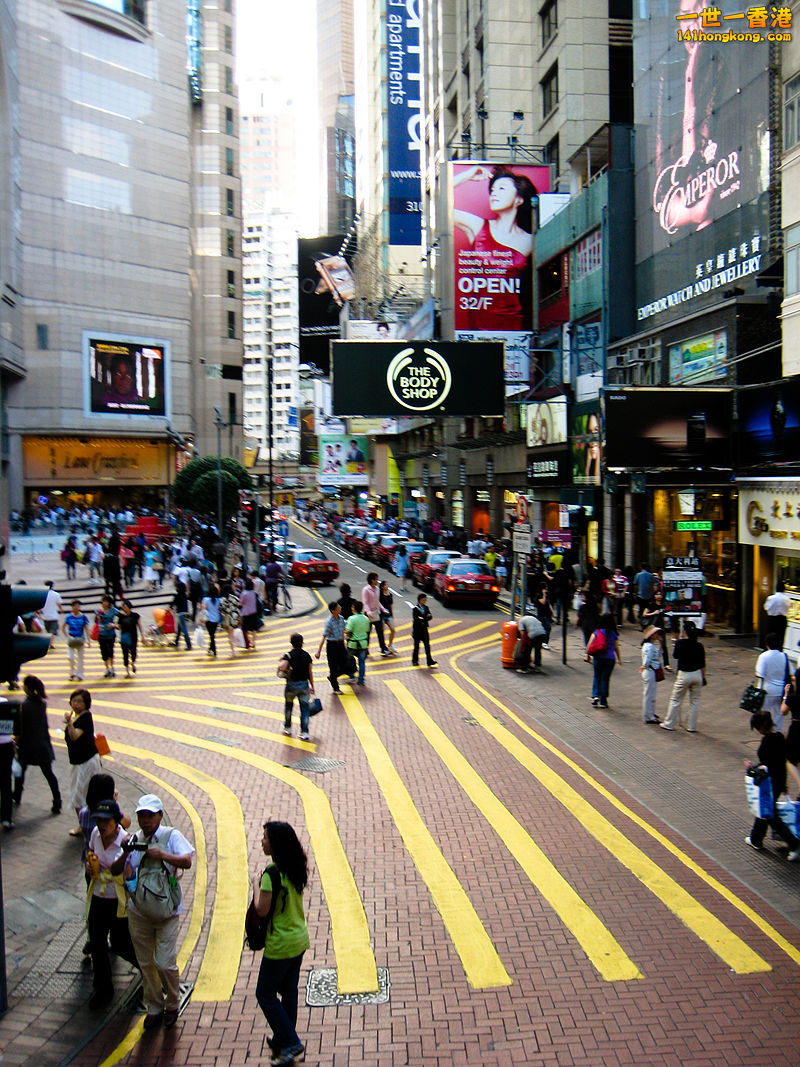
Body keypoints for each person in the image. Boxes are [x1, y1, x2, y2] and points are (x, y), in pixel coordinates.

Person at [114, 794, 195, 1030]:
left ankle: (173, 1003)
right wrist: (125, 851)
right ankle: (154, 1007)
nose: (145, 820)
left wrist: (163, 856)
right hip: (139, 912)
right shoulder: (134, 839)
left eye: (150, 816)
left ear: (160, 815)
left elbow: (187, 861)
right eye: (142, 816)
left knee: (164, 962)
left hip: (166, 911)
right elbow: (116, 869)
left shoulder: (171, 836)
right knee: (146, 963)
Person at [252, 820, 310, 1066]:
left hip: (280, 944)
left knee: (265, 993)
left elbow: (261, 910)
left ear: (274, 843)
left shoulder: (271, 874)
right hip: (299, 939)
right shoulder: (295, 868)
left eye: (265, 837)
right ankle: (283, 1041)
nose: (262, 841)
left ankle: (291, 1041)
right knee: (288, 992)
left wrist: (255, 886)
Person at [453, 163, 535, 331]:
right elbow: (439, 206)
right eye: (492, 190)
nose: (494, 194)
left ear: (519, 199)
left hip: (514, 325)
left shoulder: (530, 240)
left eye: (501, 188)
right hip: (479, 326)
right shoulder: (478, 227)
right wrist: (468, 174)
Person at [85, 798, 139, 1010]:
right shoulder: (95, 835)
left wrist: (126, 853)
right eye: (98, 820)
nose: (101, 825)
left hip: (118, 902)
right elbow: (90, 853)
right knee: (97, 943)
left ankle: (150, 971)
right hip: (98, 898)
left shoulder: (126, 842)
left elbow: (119, 870)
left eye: (106, 821)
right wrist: (89, 864)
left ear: (116, 822)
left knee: (121, 944)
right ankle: (103, 989)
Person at [744, 712, 800, 861]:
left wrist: (751, 768)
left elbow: (766, 765)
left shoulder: (767, 742)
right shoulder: (780, 737)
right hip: (779, 781)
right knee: (765, 809)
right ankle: (756, 838)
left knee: (769, 814)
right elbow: (781, 762)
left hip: (768, 783)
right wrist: (785, 784)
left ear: (761, 727)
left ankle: (794, 843)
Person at [13, 675, 61, 814]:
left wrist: (15, 741)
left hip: (27, 745)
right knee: (48, 773)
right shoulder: (42, 703)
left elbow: (20, 728)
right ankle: (57, 800)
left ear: (27, 688)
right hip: (42, 744)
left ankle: (17, 795)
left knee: (20, 772)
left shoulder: (24, 706)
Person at [64, 689, 103, 835]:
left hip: (85, 762)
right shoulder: (78, 717)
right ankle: (84, 824)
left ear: (86, 703)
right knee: (80, 793)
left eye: (79, 701)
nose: (75, 704)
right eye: (73, 701)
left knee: (80, 794)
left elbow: (74, 736)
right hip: (78, 761)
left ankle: (85, 825)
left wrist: (69, 723)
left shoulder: (85, 718)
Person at [660, 621, 706, 732]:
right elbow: (703, 664)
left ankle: (669, 723)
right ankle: (691, 726)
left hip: (684, 674)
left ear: (684, 631)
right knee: (695, 701)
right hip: (697, 674)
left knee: (676, 699)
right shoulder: (699, 645)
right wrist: (703, 677)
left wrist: (679, 641)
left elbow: (675, 656)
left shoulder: (680, 643)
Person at [281, 634, 314, 740]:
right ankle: (304, 732)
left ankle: (288, 727)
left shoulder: (289, 655)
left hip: (291, 685)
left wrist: (281, 661)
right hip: (304, 685)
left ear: (291, 643)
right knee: (304, 709)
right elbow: (310, 672)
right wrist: (312, 686)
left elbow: (282, 668)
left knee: (289, 707)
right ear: (302, 642)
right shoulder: (307, 655)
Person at [755, 632, 792, 730]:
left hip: (766, 690)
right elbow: (792, 672)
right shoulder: (784, 656)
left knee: (763, 712)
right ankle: (777, 731)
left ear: (767, 644)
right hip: (780, 690)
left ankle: (765, 730)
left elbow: (760, 674)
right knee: (778, 714)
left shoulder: (763, 656)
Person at [590, 613, 621, 709]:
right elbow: (616, 647)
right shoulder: (613, 633)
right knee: (605, 679)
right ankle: (603, 701)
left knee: (597, 676)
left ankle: (595, 695)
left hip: (598, 657)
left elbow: (590, 644)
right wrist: (619, 659)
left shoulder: (597, 631)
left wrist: (589, 655)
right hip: (610, 658)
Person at [316, 601, 346, 695]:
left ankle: (332, 677)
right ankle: (336, 688)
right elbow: (324, 636)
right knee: (333, 666)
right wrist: (318, 651)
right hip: (332, 645)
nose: (340, 608)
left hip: (340, 644)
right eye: (338, 608)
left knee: (344, 665)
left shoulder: (342, 619)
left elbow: (343, 633)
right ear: (333, 610)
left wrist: (344, 645)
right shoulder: (329, 622)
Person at [642, 589, 672, 670]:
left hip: (661, 627)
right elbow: (644, 614)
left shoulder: (664, 605)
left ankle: (666, 664)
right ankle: (646, 661)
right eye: (657, 594)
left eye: (660, 594)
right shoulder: (651, 604)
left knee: (664, 645)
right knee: (647, 643)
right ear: (654, 596)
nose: (659, 596)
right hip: (653, 627)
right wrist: (654, 613)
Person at [639, 626, 663, 725]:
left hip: (649, 670)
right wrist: (644, 666)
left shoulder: (650, 645)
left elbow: (658, 654)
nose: (657, 635)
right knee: (649, 694)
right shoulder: (649, 646)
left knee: (650, 693)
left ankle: (650, 713)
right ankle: (649, 716)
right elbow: (648, 659)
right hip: (650, 670)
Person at [63, 599, 90, 681]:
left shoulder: (83, 617)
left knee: (80, 658)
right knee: (70, 657)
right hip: (71, 639)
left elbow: (87, 628)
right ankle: (72, 673)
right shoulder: (69, 617)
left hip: (80, 639)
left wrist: (88, 640)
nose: (77, 608)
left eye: (78, 606)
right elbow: (63, 627)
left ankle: (79, 675)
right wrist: (67, 636)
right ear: (72, 607)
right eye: (75, 606)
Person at [361, 572, 388, 656]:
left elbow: (377, 601)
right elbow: (365, 602)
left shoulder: (377, 589)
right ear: (372, 580)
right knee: (367, 632)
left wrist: (383, 609)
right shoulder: (366, 590)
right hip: (368, 614)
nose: (377, 581)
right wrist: (368, 612)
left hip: (377, 613)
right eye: (376, 579)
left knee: (380, 632)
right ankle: (365, 649)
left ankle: (383, 648)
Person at [344, 603, 371, 686]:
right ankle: (361, 680)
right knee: (362, 661)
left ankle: (351, 676)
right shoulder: (366, 618)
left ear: (354, 608)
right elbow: (367, 630)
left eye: (352, 606)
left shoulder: (351, 618)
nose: (351, 608)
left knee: (348, 660)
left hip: (353, 644)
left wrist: (344, 631)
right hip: (363, 643)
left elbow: (348, 630)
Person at [95, 595, 119, 678]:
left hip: (111, 634)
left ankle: (112, 667)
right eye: (103, 601)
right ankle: (107, 668)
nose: (104, 603)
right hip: (101, 634)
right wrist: (98, 618)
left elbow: (121, 616)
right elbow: (96, 621)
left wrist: (115, 625)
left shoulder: (113, 610)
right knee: (103, 652)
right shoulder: (98, 611)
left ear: (109, 602)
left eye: (106, 601)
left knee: (110, 651)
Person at [118, 600, 143, 678]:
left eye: (125, 606)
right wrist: (113, 626)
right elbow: (119, 627)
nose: (123, 608)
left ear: (129, 607)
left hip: (133, 638)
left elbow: (139, 625)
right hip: (124, 639)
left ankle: (132, 663)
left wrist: (142, 636)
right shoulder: (121, 617)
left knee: (133, 653)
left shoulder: (135, 615)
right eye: (123, 607)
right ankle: (127, 672)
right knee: (125, 655)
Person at [411, 593, 437, 668]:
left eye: (425, 600)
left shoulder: (426, 608)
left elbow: (430, 616)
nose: (424, 602)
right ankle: (415, 661)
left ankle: (429, 661)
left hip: (424, 629)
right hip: (417, 630)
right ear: (419, 600)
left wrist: (423, 618)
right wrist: (425, 618)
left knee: (427, 646)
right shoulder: (415, 609)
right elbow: (416, 619)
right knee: (416, 646)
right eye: (423, 600)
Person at [763, 581, 790, 650]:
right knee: (780, 637)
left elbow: (766, 607)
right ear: (784, 589)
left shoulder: (771, 598)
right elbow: (788, 608)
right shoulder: (787, 599)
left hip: (772, 619)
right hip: (782, 619)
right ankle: (779, 650)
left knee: (770, 636)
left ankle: (769, 650)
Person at [576, 590, 599, 661]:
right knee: (594, 640)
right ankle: (594, 655)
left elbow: (580, 616)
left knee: (587, 640)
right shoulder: (595, 606)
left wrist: (577, 624)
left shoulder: (582, 606)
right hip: (594, 624)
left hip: (586, 625)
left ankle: (588, 655)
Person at [170, 579, 192, 651]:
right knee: (179, 628)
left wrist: (171, 607)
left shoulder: (177, 595)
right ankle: (176, 641)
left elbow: (173, 603)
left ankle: (189, 645)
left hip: (180, 613)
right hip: (185, 613)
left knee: (184, 629)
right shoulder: (184, 595)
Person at [41, 580, 64, 647]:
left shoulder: (42, 594)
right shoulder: (56, 594)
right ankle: (51, 643)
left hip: (45, 616)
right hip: (53, 616)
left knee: (48, 631)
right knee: (52, 631)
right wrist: (61, 610)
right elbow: (59, 604)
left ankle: (49, 643)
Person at [202, 583, 222, 657]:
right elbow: (220, 610)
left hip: (208, 619)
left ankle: (214, 650)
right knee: (212, 635)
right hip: (216, 619)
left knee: (211, 635)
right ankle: (210, 649)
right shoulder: (219, 600)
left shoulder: (205, 599)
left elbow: (203, 609)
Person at [239, 578, 259, 651]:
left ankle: (248, 642)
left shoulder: (244, 593)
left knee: (245, 628)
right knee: (253, 628)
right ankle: (253, 642)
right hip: (254, 612)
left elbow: (241, 603)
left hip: (246, 613)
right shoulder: (254, 593)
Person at [379, 580, 397, 655]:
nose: (387, 586)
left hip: (388, 615)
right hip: (382, 615)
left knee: (393, 629)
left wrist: (392, 615)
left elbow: (391, 605)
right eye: (385, 585)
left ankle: (390, 644)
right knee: (382, 631)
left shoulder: (390, 595)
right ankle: (382, 646)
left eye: (387, 585)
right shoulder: (380, 595)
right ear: (382, 587)